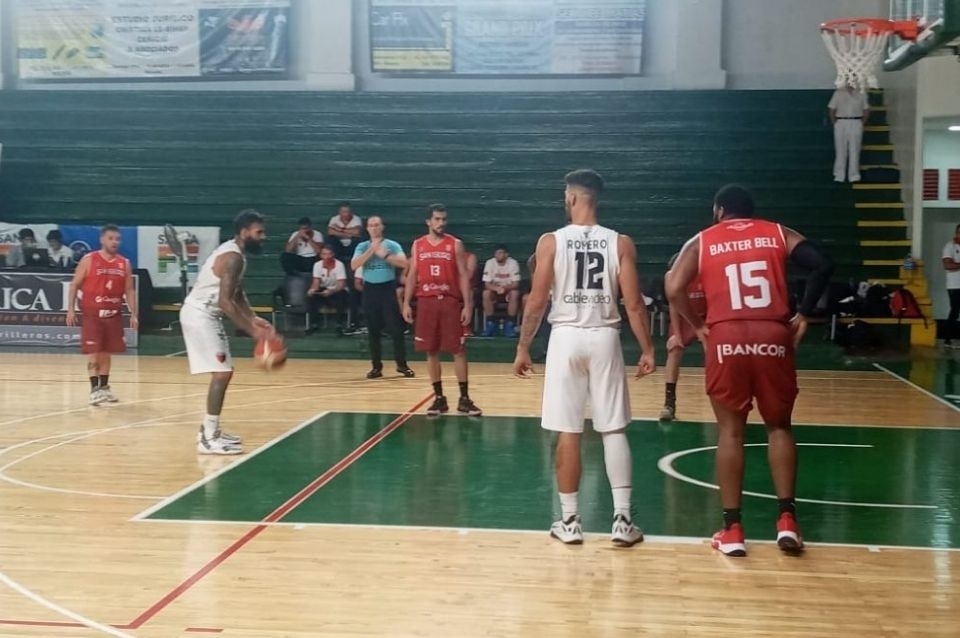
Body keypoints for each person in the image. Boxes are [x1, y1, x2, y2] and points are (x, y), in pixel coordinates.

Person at [666, 184, 833, 557]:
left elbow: (673, 286)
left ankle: (733, 530)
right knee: (779, 427)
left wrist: (698, 325)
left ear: (719, 210)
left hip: (726, 336)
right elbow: (823, 264)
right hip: (773, 332)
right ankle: (787, 522)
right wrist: (804, 313)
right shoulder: (777, 232)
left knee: (730, 433)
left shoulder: (703, 240)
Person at [513, 169, 656, 547]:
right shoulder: (620, 242)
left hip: (565, 338)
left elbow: (537, 300)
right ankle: (622, 521)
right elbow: (634, 303)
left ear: (573, 198)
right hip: (605, 337)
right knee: (613, 429)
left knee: (569, 431)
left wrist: (523, 346)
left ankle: (570, 522)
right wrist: (647, 348)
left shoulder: (551, 241)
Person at [180, 209, 277, 455]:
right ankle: (207, 438)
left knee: (224, 372)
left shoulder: (237, 254)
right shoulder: (233, 257)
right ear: (244, 232)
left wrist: (252, 317)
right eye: (259, 232)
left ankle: (210, 429)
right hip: (200, 314)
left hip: (207, 314)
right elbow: (225, 302)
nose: (263, 237)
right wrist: (252, 331)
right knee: (222, 373)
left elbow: (237, 292)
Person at [403, 204, 481, 416]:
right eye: (437, 219)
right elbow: (412, 275)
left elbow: (463, 275)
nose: (441, 223)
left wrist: (467, 305)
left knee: (458, 350)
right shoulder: (418, 245)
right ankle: (439, 398)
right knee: (431, 350)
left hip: (449, 301)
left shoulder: (455, 244)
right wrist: (406, 302)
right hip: (426, 301)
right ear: (428, 221)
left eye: (444, 219)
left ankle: (464, 398)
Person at [66, 225, 138, 406]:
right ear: (102, 240)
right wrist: (71, 309)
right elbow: (74, 285)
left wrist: (133, 313)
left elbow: (129, 290)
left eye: (117, 239)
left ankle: (104, 388)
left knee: (106, 353)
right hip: (93, 315)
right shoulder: (89, 260)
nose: (115, 242)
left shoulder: (124, 263)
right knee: (94, 352)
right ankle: (94, 390)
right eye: (111, 238)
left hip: (113, 315)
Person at [353, 216, 413, 378]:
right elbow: (354, 265)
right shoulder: (362, 246)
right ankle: (376, 367)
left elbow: (404, 263)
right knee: (373, 330)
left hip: (387, 289)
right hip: (370, 290)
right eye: (371, 225)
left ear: (382, 227)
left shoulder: (392, 245)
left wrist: (384, 255)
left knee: (396, 328)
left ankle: (402, 365)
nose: (374, 228)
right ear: (367, 228)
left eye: (377, 225)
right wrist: (371, 251)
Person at [659, 251, 707, 421]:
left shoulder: (705, 273)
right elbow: (674, 306)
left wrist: (705, 329)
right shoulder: (671, 276)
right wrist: (677, 336)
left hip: (705, 317)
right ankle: (669, 404)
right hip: (684, 318)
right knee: (674, 349)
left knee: (714, 352)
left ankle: (718, 397)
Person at [828, 84, 870, 183]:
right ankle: (839, 175)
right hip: (841, 122)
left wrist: (862, 123)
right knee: (840, 149)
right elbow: (832, 109)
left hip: (856, 121)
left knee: (855, 149)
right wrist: (835, 123)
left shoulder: (862, 93)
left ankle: (854, 175)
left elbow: (866, 109)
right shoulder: (838, 93)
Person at [481, 244, 521, 337]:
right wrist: (497, 289)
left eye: (500, 253)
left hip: (508, 290)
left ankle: (510, 324)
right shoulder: (490, 263)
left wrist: (505, 288)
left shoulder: (513, 263)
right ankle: (490, 324)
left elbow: (516, 283)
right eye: (496, 253)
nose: (497, 255)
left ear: (506, 254)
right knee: (486, 293)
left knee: (515, 293)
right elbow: (487, 284)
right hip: (495, 291)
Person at [307, 245, 349, 333]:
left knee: (341, 295)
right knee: (311, 296)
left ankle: (339, 324)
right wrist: (312, 290)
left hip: (337, 290)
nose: (327, 256)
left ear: (333, 254)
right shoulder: (317, 265)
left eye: (329, 254)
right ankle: (314, 324)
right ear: (321, 255)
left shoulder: (339, 265)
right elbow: (316, 283)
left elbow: (341, 284)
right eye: (324, 254)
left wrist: (331, 291)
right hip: (324, 289)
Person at [943, 223, 960, 348]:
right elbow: (948, 265)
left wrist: (957, 264)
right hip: (955, 285)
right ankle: (948, 340)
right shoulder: (950, 246)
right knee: (954, 311)